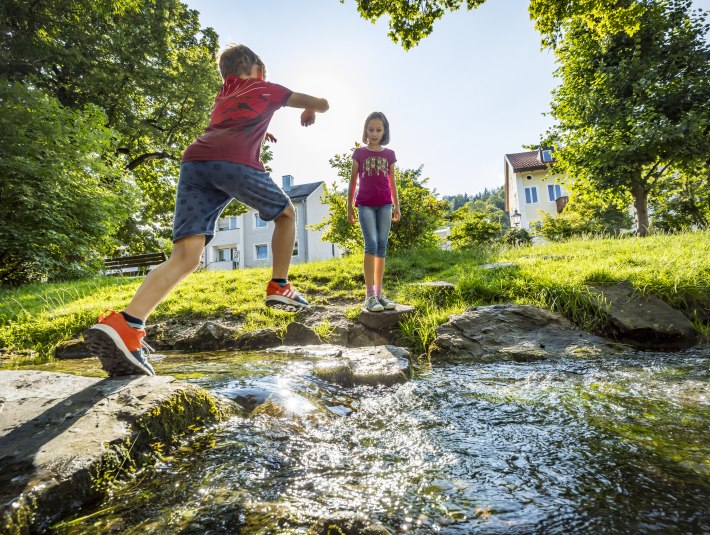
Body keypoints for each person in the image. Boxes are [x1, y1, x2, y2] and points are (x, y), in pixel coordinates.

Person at [84, 44, 329, 377]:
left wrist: (261, 129)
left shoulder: (222, 98)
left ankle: (127, 324)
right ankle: (279, 285)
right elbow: (322, 103)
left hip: (196, 163)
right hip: (232, 162)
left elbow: (234, 122)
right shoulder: (266, 88)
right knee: (286, 214)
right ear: (257, 69)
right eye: (264, 72)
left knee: (185, 257)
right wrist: (310, 110)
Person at [347, 111, 401, 313]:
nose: (374, 133)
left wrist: (397, 206)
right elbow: (353, 182)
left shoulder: (389, 154)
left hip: (385, 205)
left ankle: (379, 294)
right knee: (371, 244)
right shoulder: (359, 153)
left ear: (384, 131)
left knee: (382, 247)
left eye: (379, 129)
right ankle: (369, 296)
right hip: (365, 205)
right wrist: (349, 207)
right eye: (371, 129)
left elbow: (392, 183)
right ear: (365, 130)